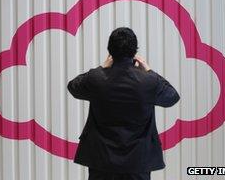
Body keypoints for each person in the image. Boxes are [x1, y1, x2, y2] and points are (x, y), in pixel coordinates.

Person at [67, 27, 180, 180]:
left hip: (102, 160)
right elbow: (172, 97)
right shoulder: (148, 81)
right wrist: (149, 70)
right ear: (134, 52)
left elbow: (73, 87)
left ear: (110, 51)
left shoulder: (96, 78)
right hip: (138, 161)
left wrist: (102, 67)